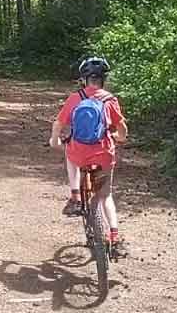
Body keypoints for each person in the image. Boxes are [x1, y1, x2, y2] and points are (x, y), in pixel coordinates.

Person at [49, 56, 128, 258]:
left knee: (69, 153)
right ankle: (115, 237)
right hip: (103, 154)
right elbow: (122, 129)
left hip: (80, 152)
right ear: (104, 79)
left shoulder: (76, 98)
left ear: (84, 79)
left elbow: (59, 123)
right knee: (105, 196)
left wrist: (55, 140)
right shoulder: (110, 100)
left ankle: (75, 195)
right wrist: (119, 137)